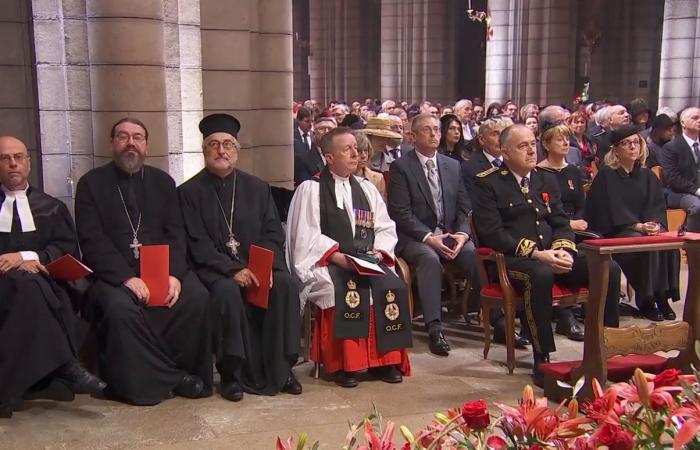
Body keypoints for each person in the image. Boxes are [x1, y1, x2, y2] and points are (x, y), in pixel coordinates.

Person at [75, 118, 212, 406]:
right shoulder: (91, 184)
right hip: (113, 276)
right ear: (112, 144)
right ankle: (168, 380)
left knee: (196, 297)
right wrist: (126, 278)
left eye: (138, 137)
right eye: (123, 137)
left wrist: (174, 274)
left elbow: (176, 232)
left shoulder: (163, 182)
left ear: (147, 146)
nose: (131, 143)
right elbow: (92, 240)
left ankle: (179, 371)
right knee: (120, 307)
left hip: (161, 270)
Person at [472, 124, 621, 386]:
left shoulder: (545, 179)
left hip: (553, 253)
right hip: (513, 260)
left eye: (533, 143)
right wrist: (539, 254)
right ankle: (543, 355)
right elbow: (493, 233)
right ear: (505, 152)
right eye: (522, 146)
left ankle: (606, 343)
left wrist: (563, 250)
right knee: (539, 275)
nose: (531, 150)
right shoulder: (488, 183)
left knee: (608, 267)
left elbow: (561, 221)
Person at [178, 114, 302, 401]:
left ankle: (281, 369)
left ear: (237, 150)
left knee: (284, 285)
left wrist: (264, 266)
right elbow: (196, 244)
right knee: (226, 292)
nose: (222, 151)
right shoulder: (187, 193)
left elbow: (272, 231)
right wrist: (233, 269)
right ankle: (232, 373)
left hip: (258, 265)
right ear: (204, 150)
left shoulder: (257, 188)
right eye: (214, 145)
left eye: (228, 144)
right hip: (216, 270)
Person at [286, 127, 412, 388]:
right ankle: (345, 365)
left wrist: (379, 251)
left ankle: (386, 362)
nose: (356, 153)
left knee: (391, 285)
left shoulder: (366, 188)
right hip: (331, 262)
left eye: (357, 148)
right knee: (341, 288)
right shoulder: (311, 189)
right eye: (348, 149)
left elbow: (385, 227)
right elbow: (305, 235)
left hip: (368, 259)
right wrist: (336, 256)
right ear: (329, 157)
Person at [0, 136, 105, 418]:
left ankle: (9, 391)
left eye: (19, 157)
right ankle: (66, 366)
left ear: (29, 163)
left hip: (42, 283)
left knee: (33, 290)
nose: (12, 163)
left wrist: (28, 258)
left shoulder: (51, 207)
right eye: (5, 158)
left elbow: (65, 247)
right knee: (29, 288)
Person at [387, 113, 480, 356]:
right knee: (428, 257)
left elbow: (463, 205)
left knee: (472, 254)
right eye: (427, 130)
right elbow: (401, 212)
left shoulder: (452, 166)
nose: (434, 134)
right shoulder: (401, 167)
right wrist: (429, 237)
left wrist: (462, 233)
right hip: (415, 237)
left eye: (437, 130)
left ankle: (497, 317)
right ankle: (434, 326)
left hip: (449, 233)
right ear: (413, 136)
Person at [587, 124, 680, 321]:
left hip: (645, 229)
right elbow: (605, 211)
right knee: (643, 245)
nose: (632, 147)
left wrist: (655, 224)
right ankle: (646, 300)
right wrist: (636, 226)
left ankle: (662, 296)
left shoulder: (646, 175)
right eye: (626, 143)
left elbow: (656, 205)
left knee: (667, 244)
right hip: (616, 231)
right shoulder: (607, 175)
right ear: (616, 150)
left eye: (636, 142)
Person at [536, 122, 590, 341]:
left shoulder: (573, 171)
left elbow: (580, 203)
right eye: (559, 139)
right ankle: (565, 315)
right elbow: (545, 211)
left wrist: (579, 220)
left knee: (607, 266)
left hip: (576, 227)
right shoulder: (538, 173)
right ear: (546, 144)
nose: (566, 142)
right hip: (552, 229)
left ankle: (601, 321)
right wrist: (569, 225)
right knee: (560, 258)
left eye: (567, 138)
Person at [662, 107, 700, 232]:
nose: (699, 120)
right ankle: (693, 247)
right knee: (698, 206)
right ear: (683, 123)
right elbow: (673, 178)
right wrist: (696, 190)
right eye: (695, 118)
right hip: (678, 193)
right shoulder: (671, 147)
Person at [295, 116, 337, 186]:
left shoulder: (342, 155)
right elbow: (306, 187)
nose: (326, 132)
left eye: (330, 129)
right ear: (314, 133)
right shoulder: (302, 159)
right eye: (322, 129)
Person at [353, 130, 387, 200]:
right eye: (359, 151)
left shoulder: (378, 178)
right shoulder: (340, 177)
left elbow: (382, 206)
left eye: (365, 150)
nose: (363, 155)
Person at [567, 111, 597, 180]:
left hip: (592, 175)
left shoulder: (590, 140)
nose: (579, 125)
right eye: (576, 122)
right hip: (575, 175)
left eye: (582, 122)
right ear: (570, 124)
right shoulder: (567, 141)